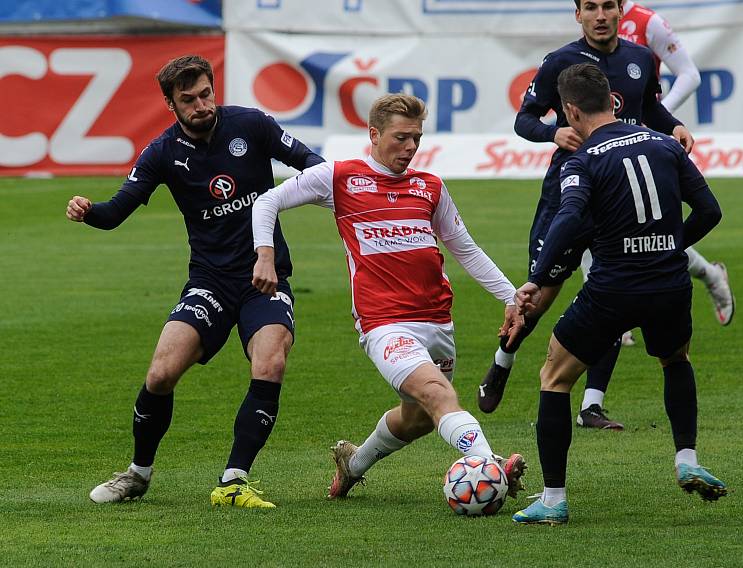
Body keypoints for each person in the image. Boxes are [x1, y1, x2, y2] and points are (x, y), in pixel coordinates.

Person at [66, 55, 324, 508]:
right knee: (161, 372)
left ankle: (233, 480)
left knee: (270, 362)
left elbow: (313, 165)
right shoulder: (163, 152)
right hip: (210, 280)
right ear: (171, 105)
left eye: (206, 93)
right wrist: (89, 212)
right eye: (188, 99)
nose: (201, 104)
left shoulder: (252, 126)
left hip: (264, 278)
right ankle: (137, 474)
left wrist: (306, 195)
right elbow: (116, 211)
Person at [251, 93, 527, 502]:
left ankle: (353, 465)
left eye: (416, 137)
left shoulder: (429, 187)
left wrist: (509, 296)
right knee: (439, 395)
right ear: (374, 134)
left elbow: (464, 248)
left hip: (437, 321)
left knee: (419, 418)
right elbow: (268, 200)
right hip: (384, 323)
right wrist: (265, 255)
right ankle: (489, 465)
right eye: (401, 137)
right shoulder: (339, 177)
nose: (411, 147)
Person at [511, 63, 727, 525]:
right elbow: (710, 210)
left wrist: (538, 275)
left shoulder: (582, 159)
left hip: (612, 287)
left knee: (555, 375)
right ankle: (686, 457)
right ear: (612, 100)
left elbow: (568, 219)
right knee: (675, 360)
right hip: (669, 284)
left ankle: (553, 500)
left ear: (569, 111)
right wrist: (669, 245)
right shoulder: (664, 143)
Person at [477, 0, 694, 430]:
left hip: (617, 196)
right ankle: (503, 361)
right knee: (543, 292)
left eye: (607, 6)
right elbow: (525, 119)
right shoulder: (561, 62)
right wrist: (552, 132)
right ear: (578, 15)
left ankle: (592, 403)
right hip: (571, 190)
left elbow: (649, 109)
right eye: (590, 7)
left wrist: (674, 126)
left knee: (612, 287)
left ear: (620, 11)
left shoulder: (638, 59)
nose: (599, 15)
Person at [579, 0, 735, 345]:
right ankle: (616, 315)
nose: (601, 14)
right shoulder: (594, 16)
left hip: (643, 141)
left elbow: (689, 74)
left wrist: (658, 116)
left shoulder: (648, 22)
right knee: (601, 226)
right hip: (604, 143)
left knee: (649, 229)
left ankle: (707, 276)